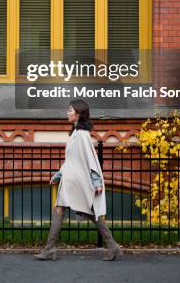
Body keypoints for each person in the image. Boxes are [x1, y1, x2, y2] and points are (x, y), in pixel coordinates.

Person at [35, 99, 123, 261]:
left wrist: (96, 181)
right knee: (62, 209)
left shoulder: (82, 135)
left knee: (89, 212)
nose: (67, 113)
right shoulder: (76, 133)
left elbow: (90, 158)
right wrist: (58, 175)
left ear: (79, 114)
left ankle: (112, 246)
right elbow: (71, 160)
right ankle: (50, 248)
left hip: (76, 181)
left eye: (70, 110)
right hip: (70, 180)